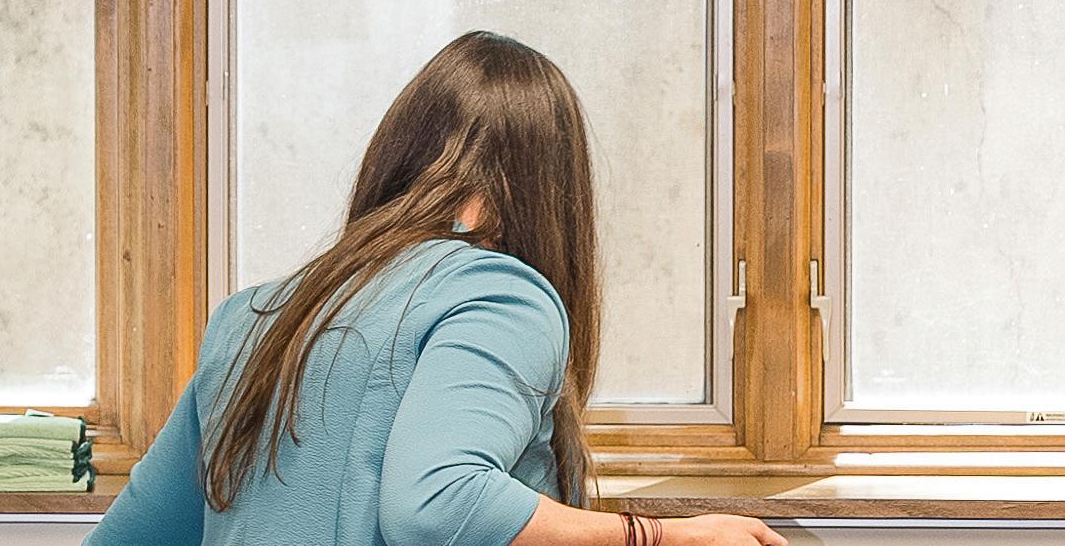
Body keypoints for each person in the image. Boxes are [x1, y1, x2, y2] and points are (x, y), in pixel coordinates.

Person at [88, 32, 786, 546]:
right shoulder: (499, 297)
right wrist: (664, 536)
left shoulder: (256, 315)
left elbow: (131, 538)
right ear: (547, 191)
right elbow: (435, 504)